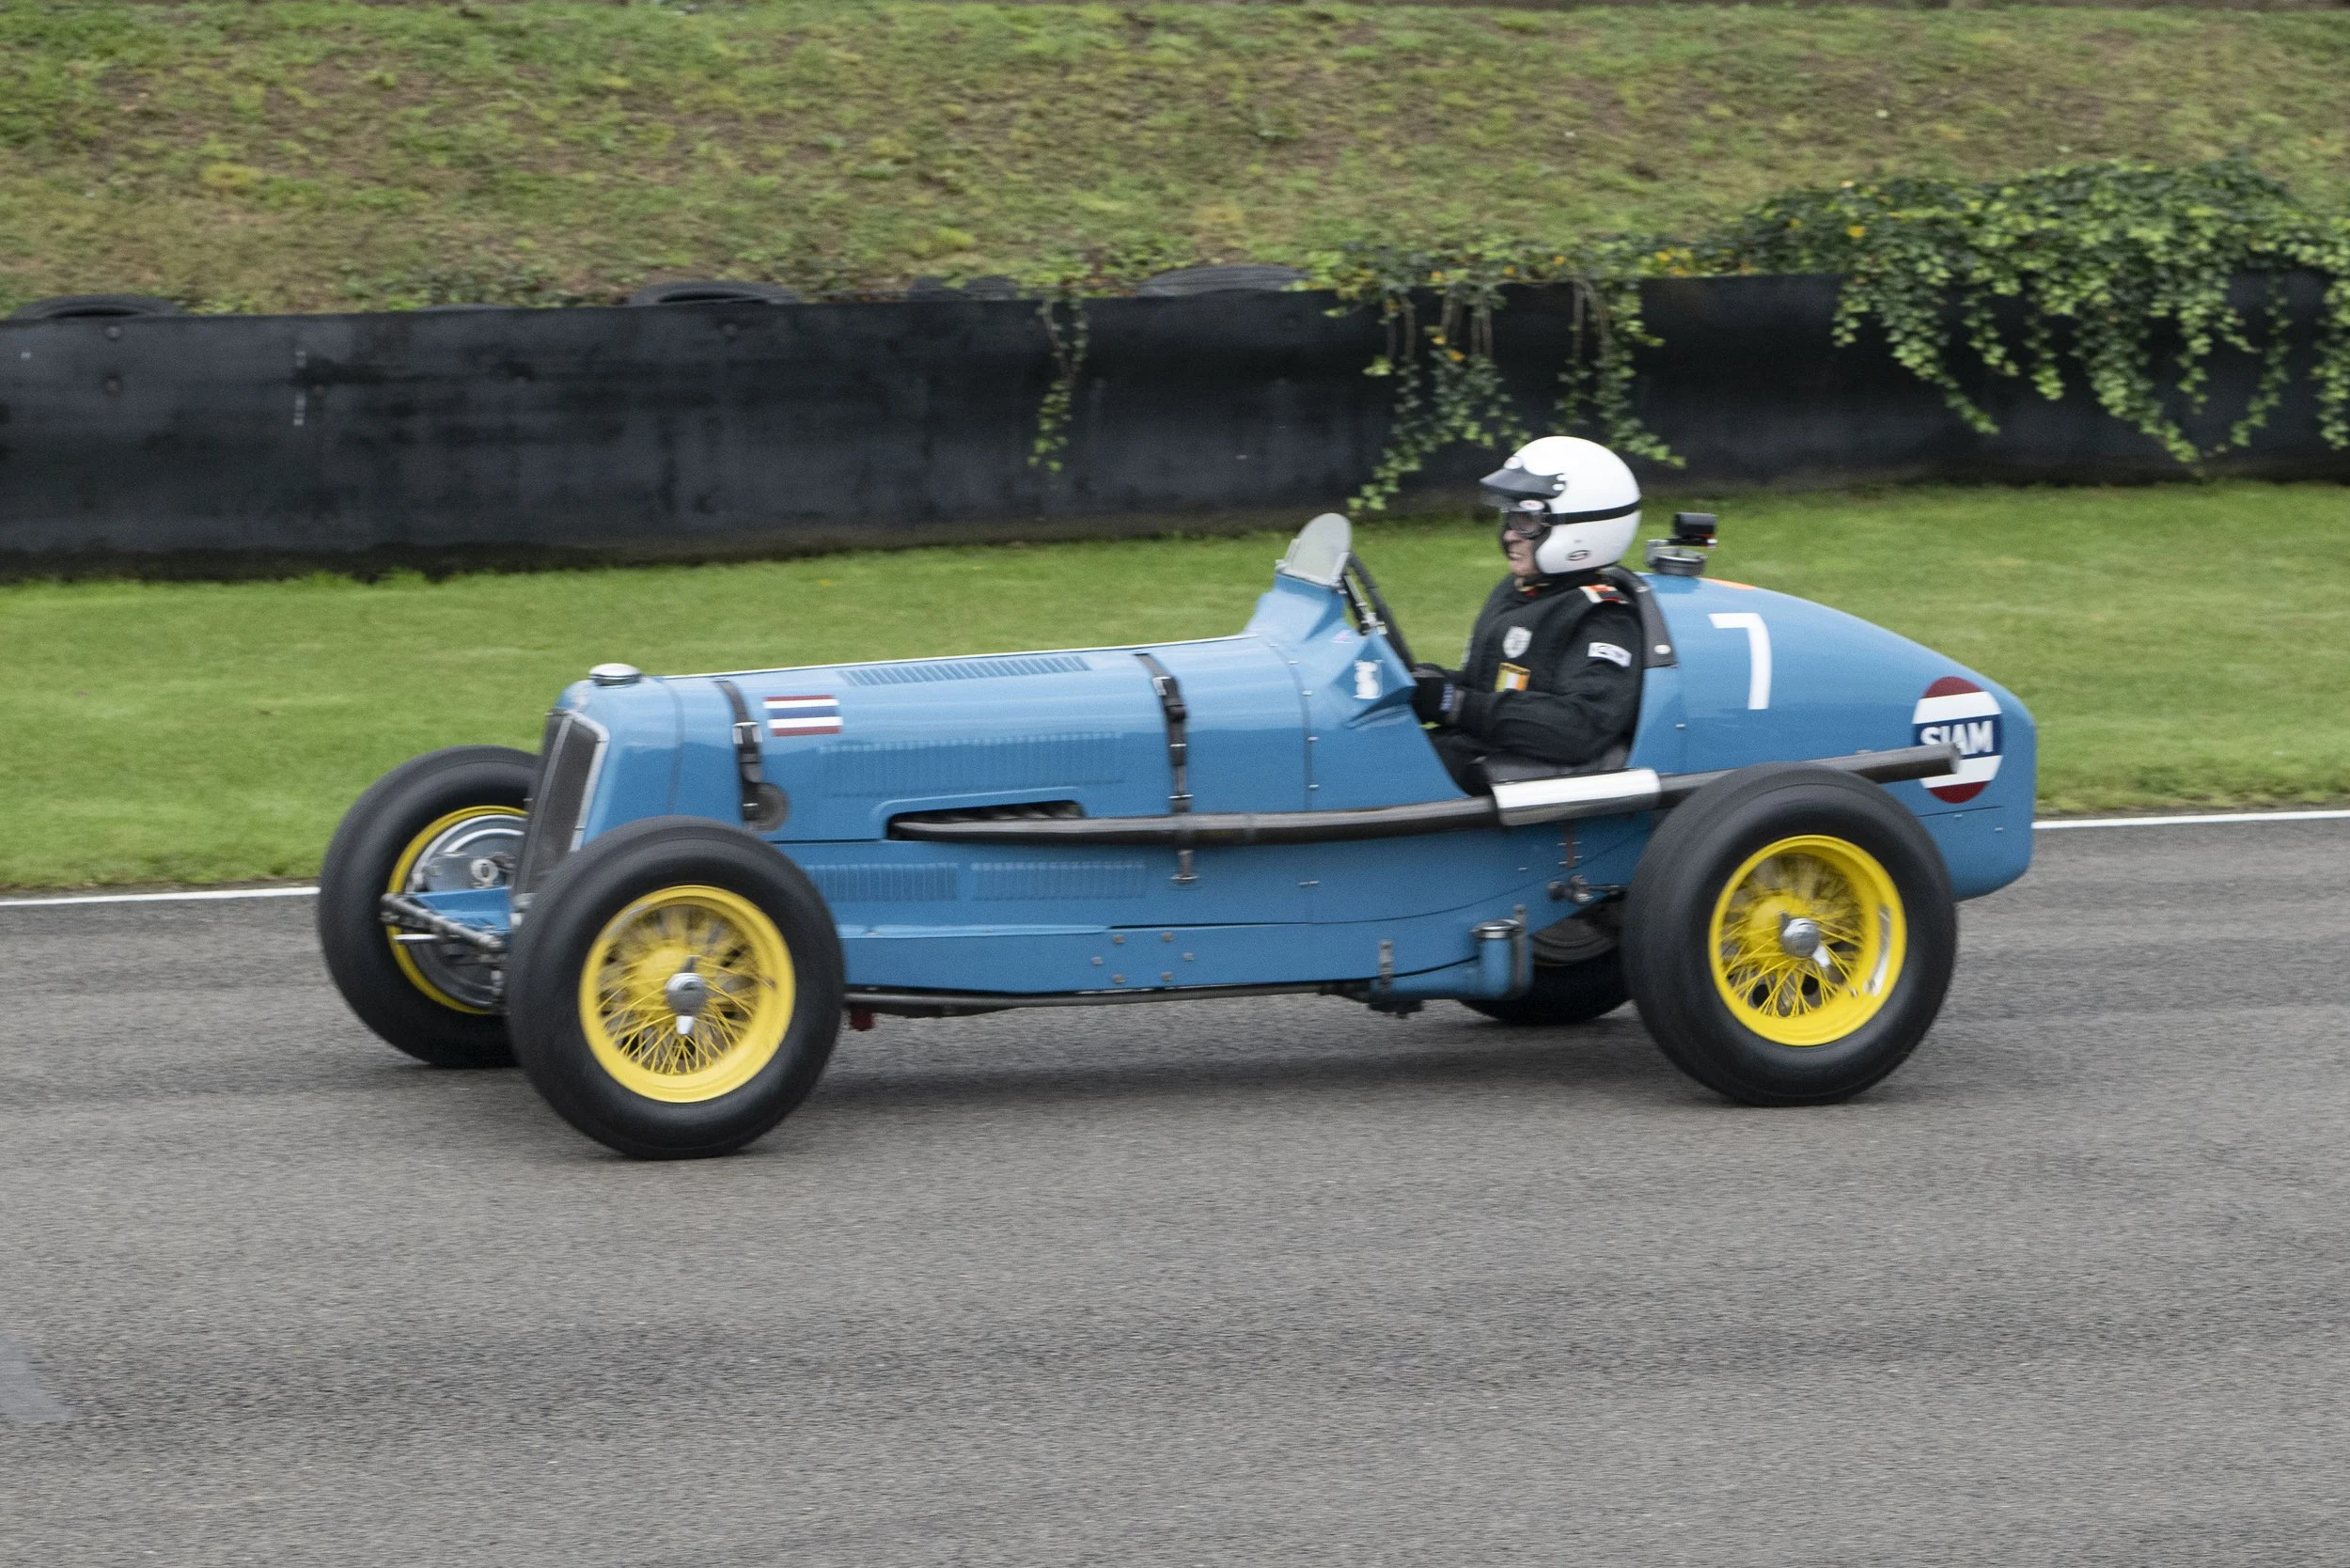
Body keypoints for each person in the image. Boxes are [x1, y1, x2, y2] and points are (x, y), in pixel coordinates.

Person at [1410, 435, 1647, 792]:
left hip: (1526, 788)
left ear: (1580, 529)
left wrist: (1455, 704)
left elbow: (1579, 728)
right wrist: (1425, 682)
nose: (1509, 536)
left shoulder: (1603, 617)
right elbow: (1490, 687)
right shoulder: (1521, 591)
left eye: (1526, 521)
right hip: (1475, 752)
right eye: (1510, 518)